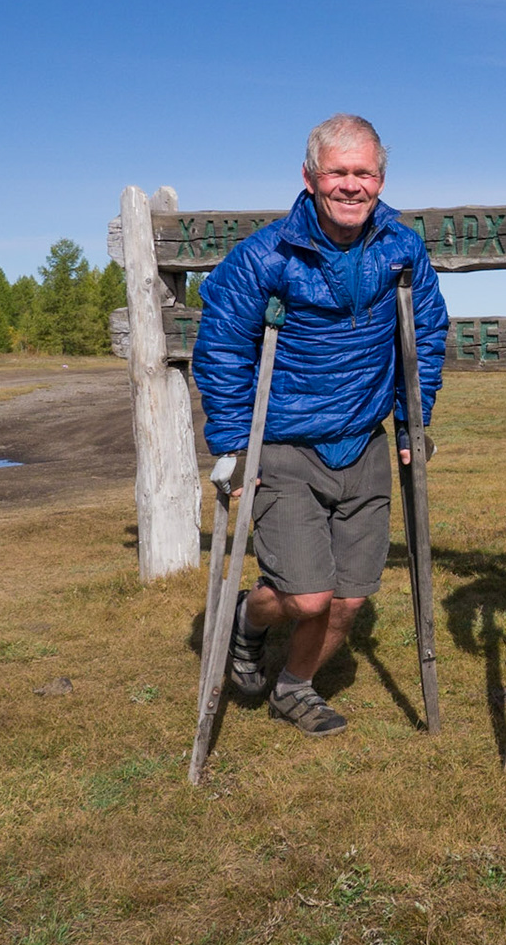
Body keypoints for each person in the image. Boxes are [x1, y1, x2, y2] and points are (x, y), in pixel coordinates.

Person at [191, 113, 447, 737]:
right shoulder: (265, 255)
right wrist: (229, 447)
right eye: (338, 172)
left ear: (381, 180)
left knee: (350, 597)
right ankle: (248, 623)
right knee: (307, 595)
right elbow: (222, 346)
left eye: (364, 173)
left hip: (363, 440)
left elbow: (428, 333)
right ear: (309, 177)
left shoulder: (401, 248)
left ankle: (294, 686)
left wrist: (415, 420)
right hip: (282, 441)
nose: (351, 185)